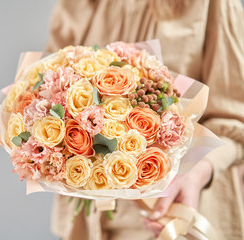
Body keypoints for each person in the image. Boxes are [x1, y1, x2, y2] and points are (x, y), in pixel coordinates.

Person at [45, 0, 244, 239]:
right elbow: (49, 88)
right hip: (86, 225)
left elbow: (235, 121)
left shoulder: (213, 4)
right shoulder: (77, 4)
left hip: (175, 216)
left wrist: (199, 171)